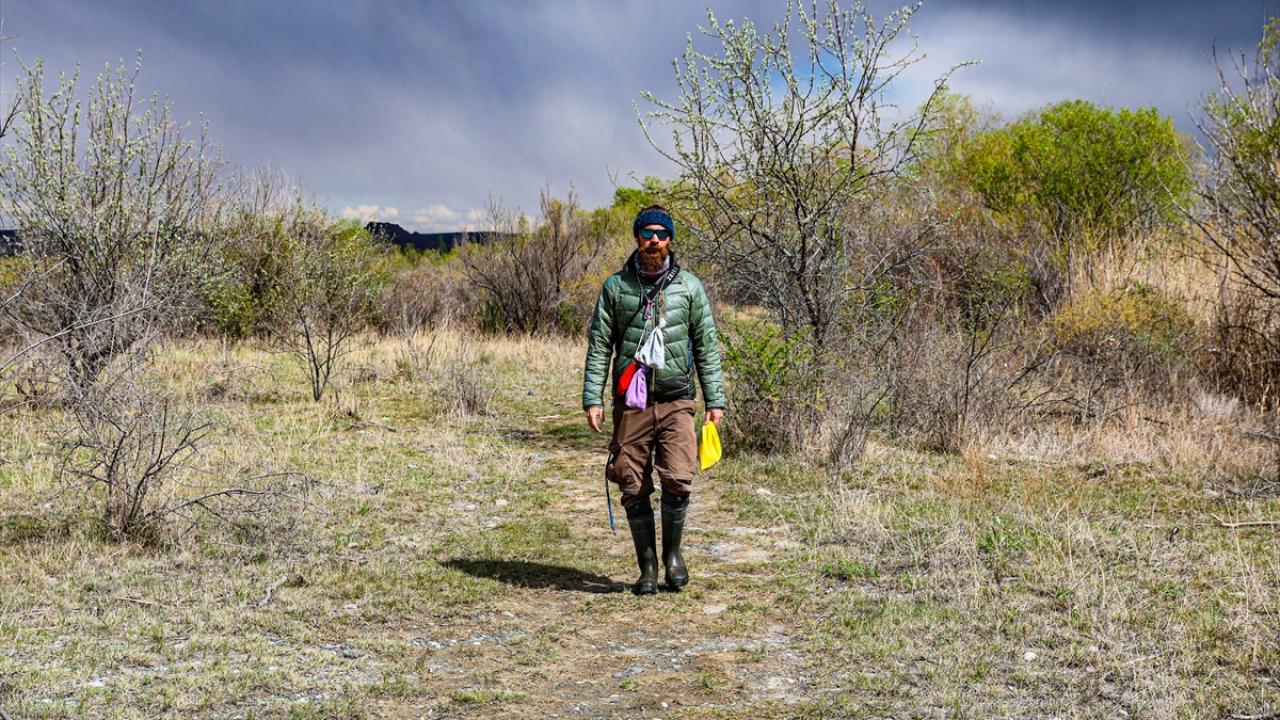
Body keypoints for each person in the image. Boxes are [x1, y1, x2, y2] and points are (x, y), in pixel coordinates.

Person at [582, 205, 726, 595]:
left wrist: (715, 400)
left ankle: (673, 558)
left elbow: (706, 345)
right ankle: (647, 569)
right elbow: (600, 346)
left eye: (661, 234)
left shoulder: (689, 287)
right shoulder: (616, 287)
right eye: (647, 233)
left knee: (678, 477)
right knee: (632, 483)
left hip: (677, 399)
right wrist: (592, 398)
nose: (654, 240)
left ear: (670, 240)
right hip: (632, 402)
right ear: (637, 237)